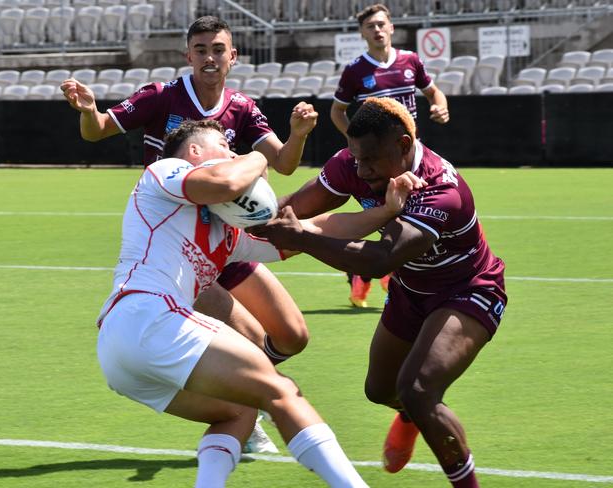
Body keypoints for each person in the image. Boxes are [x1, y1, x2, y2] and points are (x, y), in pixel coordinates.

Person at [97, 119, 419, 487]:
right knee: (281, 392)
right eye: (223, 145)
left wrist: (384, 212)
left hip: (123, 350)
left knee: (240, 408)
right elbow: (226, 182)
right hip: (148, 315)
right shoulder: (167, 170)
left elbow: (313, 232)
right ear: (195, 152)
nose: (232, 152)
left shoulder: (227, 232)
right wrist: (257, 156)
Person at [60, 15, 317, 452]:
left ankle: (240, 390)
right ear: (188, 56)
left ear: (232, 56)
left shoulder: (243, 108)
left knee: (292, 335)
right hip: (181, 246)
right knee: (252, 341)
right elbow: (98, 130)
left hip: (228, 239)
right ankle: (242, 408)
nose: (210, 58)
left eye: (218, 49)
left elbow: (285, 163)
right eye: (201, 50)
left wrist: (297, 135)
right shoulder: (162, 97)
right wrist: (88, 111)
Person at [258, 97, 507, 488]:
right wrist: (232, 222)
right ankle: (412, 413)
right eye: (356, 158)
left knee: (418, 389)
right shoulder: (354, 164)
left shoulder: (440, 188)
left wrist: (302, 240)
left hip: (467, 290)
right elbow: (294, 209)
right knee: (380, 390)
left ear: (404, 145)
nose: (362, 170)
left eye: (371, 159)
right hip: (412, 290)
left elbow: (379, 260)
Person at [330, 3, 450, 308]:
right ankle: (368, 274)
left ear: (392, 27)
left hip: (411, 157)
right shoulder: (356, 70)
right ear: (362, 33)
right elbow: (337, 112)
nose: (377, 30)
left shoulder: (410, 61)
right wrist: (358, 147)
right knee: (387, 218)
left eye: (382, 24)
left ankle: (386, 278)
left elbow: (434, 92)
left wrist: (440, 106)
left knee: (411, 218)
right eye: (370, 26)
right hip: (379, 165)